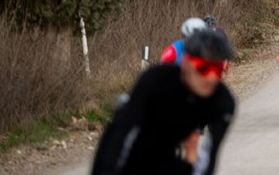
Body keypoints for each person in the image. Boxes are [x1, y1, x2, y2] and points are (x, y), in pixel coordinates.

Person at [92, 29, 234, 175]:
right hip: (132, 156)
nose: (210, 77)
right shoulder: (155, 80)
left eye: (217, 70)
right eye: (203, 68)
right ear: (186, 63)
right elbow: (120, 133)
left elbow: (208, 158)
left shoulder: (223, 103)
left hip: (168, 161)